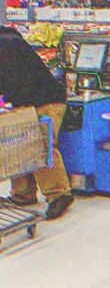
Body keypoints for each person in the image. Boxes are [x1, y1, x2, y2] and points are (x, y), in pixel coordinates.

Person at [0, 26, 74, 220]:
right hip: (24, 100)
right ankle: (23, 194)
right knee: (18, 143)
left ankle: (59, 194)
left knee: (42, 144)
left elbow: (10, 79)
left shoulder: (6, 44)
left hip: (46, 100)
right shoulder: (8, 39)